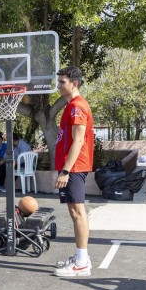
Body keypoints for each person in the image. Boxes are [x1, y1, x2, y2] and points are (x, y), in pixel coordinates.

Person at [53, 66, 95, 277]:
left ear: (74, 83)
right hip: (71, 166)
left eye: (62, 82)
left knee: (78, 213)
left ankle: (81, 263)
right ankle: (81, 257)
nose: (59, 86)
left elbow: (78, 141)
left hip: (75, 167)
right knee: (75, 212)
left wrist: (66, 170)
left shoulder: (78, 107)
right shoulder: (71, 106)